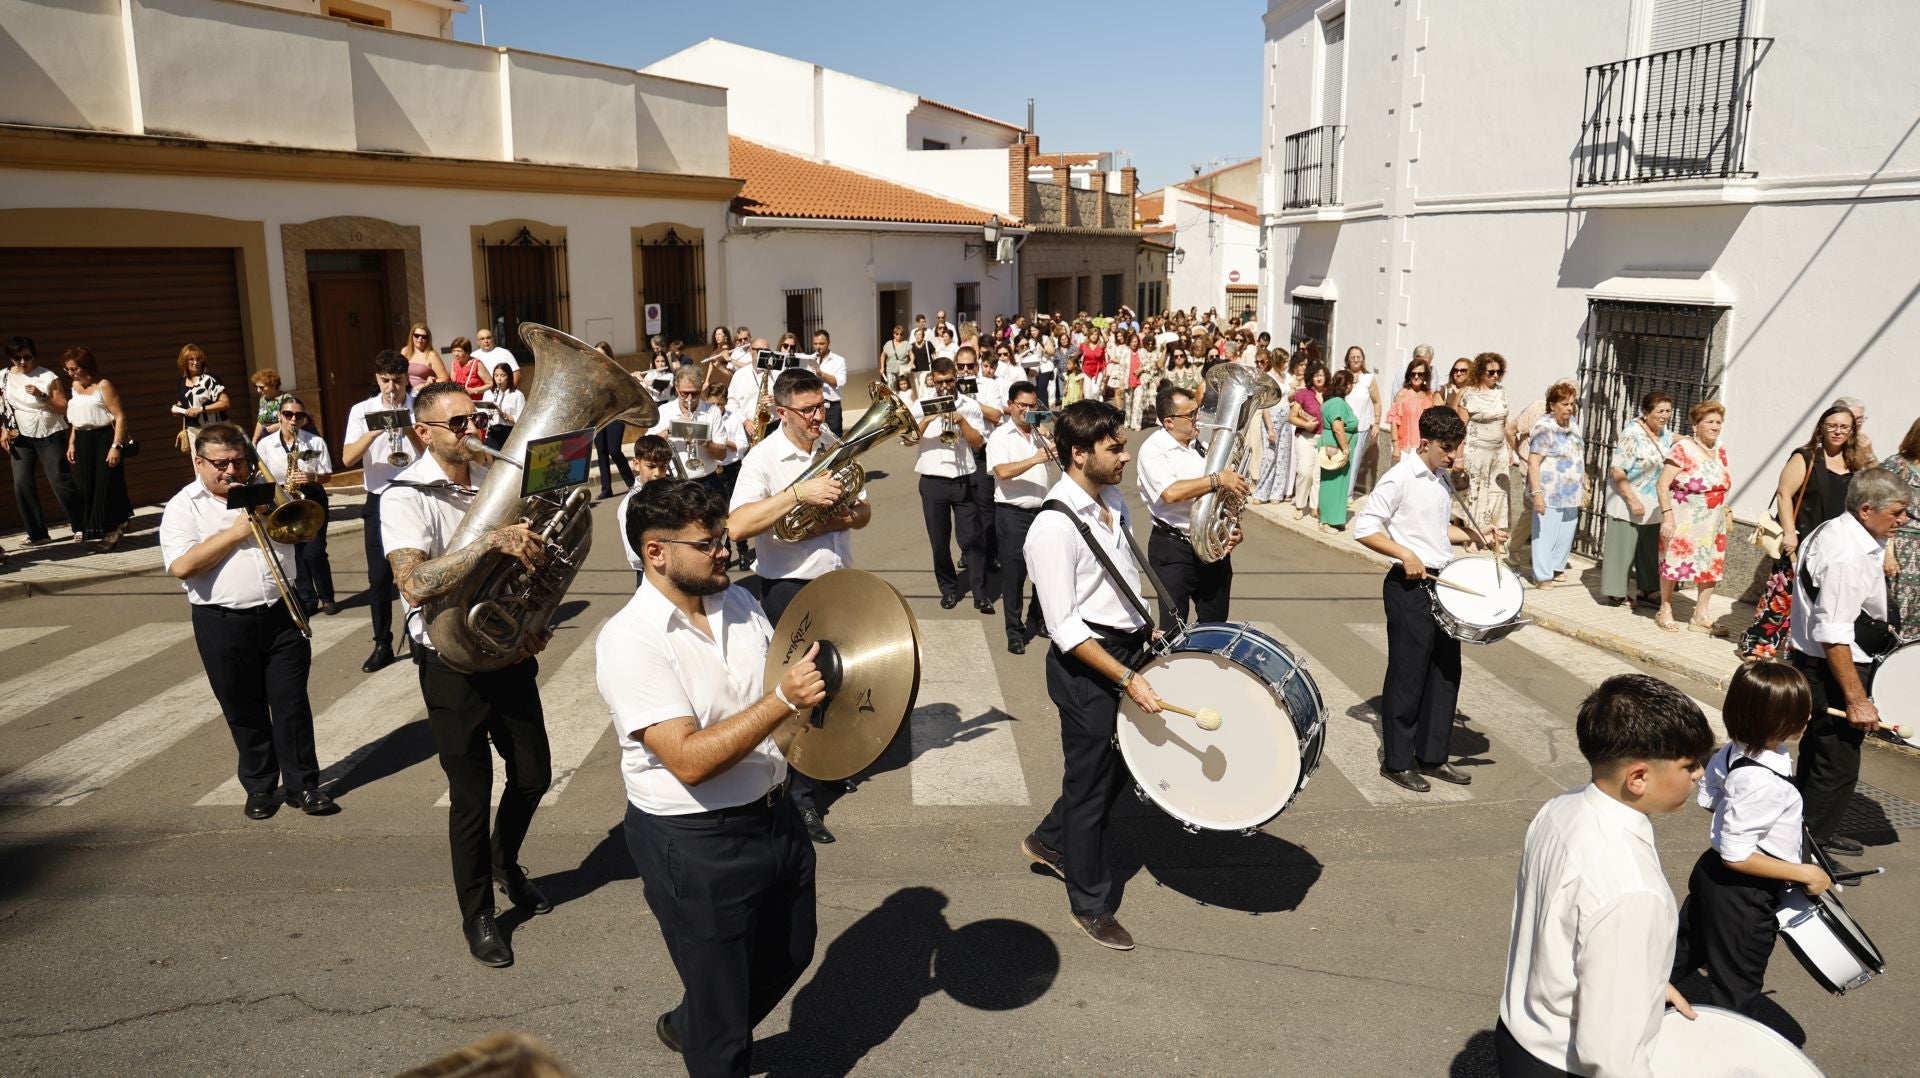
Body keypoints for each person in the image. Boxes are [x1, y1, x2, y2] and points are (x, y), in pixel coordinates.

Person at [601, 478, 827, 1075]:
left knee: (791, 952)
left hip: (773, 815)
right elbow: (689, 761)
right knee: (724, 1023)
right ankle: (709, 1033)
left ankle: (695, 1022)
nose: (726, 551)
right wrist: (783, 699)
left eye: (723, 538)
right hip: (696, 840)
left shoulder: (739, 601)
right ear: (656, 552)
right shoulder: (630, 639)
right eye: (708, 544)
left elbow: (781, 691)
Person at [384, 382, 554, 968]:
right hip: (449, 661)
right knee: (471, 796)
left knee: (534, 775)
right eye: (457, 422)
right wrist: (487, 544)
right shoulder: (404, 495)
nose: (471, 429)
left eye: (474, 418)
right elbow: (415, 584)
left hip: (505, 652)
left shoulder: (496, 481)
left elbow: (532, 568)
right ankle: (477, 912)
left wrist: (533, 621)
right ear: (423, 432)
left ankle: (505, 861)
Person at [1497, 673, 1712, 1077]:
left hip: (1518, 1034)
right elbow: (1610, 1055)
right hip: (1566, 1063)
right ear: (1638, 778)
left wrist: (1642, 978)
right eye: (1689, 765)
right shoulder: (1632, 888)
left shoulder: (1559, 808)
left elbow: (1566, 934)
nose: (1699, 773)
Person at [1023, 399, 1168, 951]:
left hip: (1125, 647)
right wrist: (1128, 679)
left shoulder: (1113, 501)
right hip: (1087, 665)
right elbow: (1063, 626)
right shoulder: (1051, 528)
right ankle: (1090, 904)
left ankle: (1049, 839)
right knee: (1088, 786)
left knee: (1121, 767)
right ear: (1080, 454)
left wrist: (1146, 628)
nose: (1126, 456)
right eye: (1115, 448)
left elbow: (1118, 577)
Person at [160, 423, 336, 821]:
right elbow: (183, 566)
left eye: (238, 462)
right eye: (221, 464)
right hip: (222, 621)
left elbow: (302, 536)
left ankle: (303, 786)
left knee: (291, 704)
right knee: (243, 707)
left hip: (280, 611)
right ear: (199, 462)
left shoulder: (265, 491)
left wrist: (284, 511)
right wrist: (237, 531)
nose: (231, 471)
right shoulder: (183, 506)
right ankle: (260, 787)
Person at [727, 368, 871, 845]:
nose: (818, 416)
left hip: (837, 581)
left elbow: (864, 511)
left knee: (838, 682)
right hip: (790, 588)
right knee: (799, 694)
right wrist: (798, 495)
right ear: (782, 412)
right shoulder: (763, 458)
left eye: (821, 406)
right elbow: (737, 525)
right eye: (808, 410)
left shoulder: (831, 443)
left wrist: (844, 517)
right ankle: (800, 798)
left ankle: (826, 768)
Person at [1354, 406, 1504, 792]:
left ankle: (1432, 756)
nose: (1453, 455)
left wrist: (1476, 536)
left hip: (1442, 584)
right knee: (1408, 675)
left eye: (1457, 447)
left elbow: (1436, 532)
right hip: (1408, 587)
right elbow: (1365, 528)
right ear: (1425, 442)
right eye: (1447, 448)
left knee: (1445, 673)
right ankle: (1398, 761)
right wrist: (1404, 554)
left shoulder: (1441, 477)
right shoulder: (1400, 477)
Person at [1672, 661, 1830, 1021]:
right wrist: (1805, 873)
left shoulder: (1734, 750)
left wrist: (1736, 814)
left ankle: (1630, 1003)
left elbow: (1710, 796)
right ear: (1778, 721)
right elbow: (1736, 855)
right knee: (1737, 988)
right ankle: (1725, 1044)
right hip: (1744, 893)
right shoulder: (1764, 783)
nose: (1808, 716)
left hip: (1711, 874)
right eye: (1800, 711)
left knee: (1685, 949)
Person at [1788, 469, 1907, 861]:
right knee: (1836, 764)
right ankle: (1808, 853)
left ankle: (1808, 832)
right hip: (1835, 668)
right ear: (1866, 509)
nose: (1904, 520)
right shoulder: (1845, 555)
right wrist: (1856, 699)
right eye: (1897, 512)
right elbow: (1833, 633)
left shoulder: (1838, 530)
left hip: (1821, 665)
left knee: (1819, 755)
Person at [1138, 382, 1248, 633]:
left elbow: (1222, 498)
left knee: (1215, 627)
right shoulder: (1153, 449)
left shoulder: (1203, 446)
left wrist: (1232, 528)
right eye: (1190, 415)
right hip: (1173, 548)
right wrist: (1217, 479)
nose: (1197, 418)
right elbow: (1170, 492)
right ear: (1169, 422)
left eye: (1196, 411)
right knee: (1173, 630)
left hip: (1211, 547)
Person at [341, 351, 423, 673]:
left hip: (414, 494)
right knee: (379, 578)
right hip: (378, 497)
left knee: (416, 570)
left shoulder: (419, 405)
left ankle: (418, 637)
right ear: (377, 379)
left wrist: (408, 425)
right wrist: (374, 430)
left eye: (398, 381)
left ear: (406, 378)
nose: (392, 388)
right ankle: (382, 643)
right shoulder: (361, 411)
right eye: (385, 381)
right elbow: (347, 458)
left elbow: (431, 452)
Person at [909, 355, 991, 612]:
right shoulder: (920, 405)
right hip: (932, 481)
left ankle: (980, 593)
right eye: (939, 382)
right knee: (939, 542)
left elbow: (978, 443)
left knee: (972, 539)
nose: (944, 386)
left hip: (963, 478)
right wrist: (927, 419)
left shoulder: (969, 405)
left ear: (956, 378)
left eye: (949, 381)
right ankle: (948, 589)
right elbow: (909, 440)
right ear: (932, 380)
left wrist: (962, 421)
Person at [254, 394, 336, 616]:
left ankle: (327, 596)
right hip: (282, 496)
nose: (293, 419)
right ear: (279, 416)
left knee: (314, 551)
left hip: (311, 496)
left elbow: (327, 474)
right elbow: (261, 476)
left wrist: (312, 477)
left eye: (299, 416)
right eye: (288, 414)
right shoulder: (266, 445)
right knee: (295, 552)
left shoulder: (314, 442)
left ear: (304, 419)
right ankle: (307, 598)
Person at [988, 381, 1054, 654]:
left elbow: (1061, 461)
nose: (1027, 411)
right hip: (1012, 513)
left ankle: (1037, 619)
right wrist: (1035, 459)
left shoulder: (1040, 434)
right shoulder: (1000, 436)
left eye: (1032, 406)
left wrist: (1050, 438)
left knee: (1045, 572)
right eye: (1022, 406)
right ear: (1010, 406)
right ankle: (1014, 632)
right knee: (1014, 576)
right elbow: (1002, 472)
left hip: (1043, 511)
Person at [1655, 401, 1732, 634]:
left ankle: (1700, 615)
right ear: (1696, 425)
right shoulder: (1683, 448)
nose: (1715, 426)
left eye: (1718, 422)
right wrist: (1667, 517)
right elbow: (1662, 484)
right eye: (1709, 422)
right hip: (1684, 517)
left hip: (1713, 520)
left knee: (1711, 564)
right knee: (1673, 561)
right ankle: (1665, 609)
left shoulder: (1720, 449)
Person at [3, 336, 85, 545]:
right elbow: (3, 406)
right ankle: (37, 534)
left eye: (27, 357)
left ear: (34, 355)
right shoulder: (3, 377)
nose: (23, 362)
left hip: (49, 432)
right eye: (18, 358)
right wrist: (4, 429)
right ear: (11, 358)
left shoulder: (47, 376)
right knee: (22, 483)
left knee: (60, 480)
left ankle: (82, 525)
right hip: (20, 436)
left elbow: (63, 407)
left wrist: (41, 396)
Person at [1601, 391, 1674, 609]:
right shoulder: (1632, 433)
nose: (1665, 415)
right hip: (1628, 500)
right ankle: (1615, 592)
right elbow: (1617, 470)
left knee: (1649, 548)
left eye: (1668, 411)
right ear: (1646, 412)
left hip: (1652, 502)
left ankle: (1648, 589)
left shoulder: (1663, 433)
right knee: (1622, 547)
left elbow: (1675, 440)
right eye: (1660, 411)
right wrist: (1632, 500)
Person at [58, 347, 133, 551]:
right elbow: (77, 420)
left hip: (103, 438)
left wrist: (116, 446)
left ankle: (111, 532)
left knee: (105, 484)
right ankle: (117, 521)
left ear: (86, 366)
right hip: (83, 440)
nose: (71, 373)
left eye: (74, 369)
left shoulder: (103, 386)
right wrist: (71, 443)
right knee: (86, 485)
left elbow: (120, 416)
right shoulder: (74, 386)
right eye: (67, 369)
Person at [1525, 381, 1585, 588]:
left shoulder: (1573, 423)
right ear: (1552, 405)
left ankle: (1556, 567)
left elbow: (1577, 453)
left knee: (1566, 534)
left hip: (1572, 491)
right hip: (1550, 491)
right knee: (1545, 535)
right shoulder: (1544, 427)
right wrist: (1537, 493)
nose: (1569, 408)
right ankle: (1542, 576)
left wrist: (1584, 478)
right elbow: (1533, 462)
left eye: (1572, 404)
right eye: (1564, 404)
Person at [1455, 352, 1511, 542]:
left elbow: (1505, 422)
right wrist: (1459, 457)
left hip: (1498, 452)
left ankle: (1493, 532)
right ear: (1480, 372)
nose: (1495, 376)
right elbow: (1460, 429)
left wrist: (1509, 450)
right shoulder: (1469, 395)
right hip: (1476, 451)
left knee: (1496, 494)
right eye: (1491, 372)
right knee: (1476, 494)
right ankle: (1472, 535)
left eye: (1498, 372)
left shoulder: (1501, 392)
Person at [650, 367, 731, 491]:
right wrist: (673, 429)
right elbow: (649, 448)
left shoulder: (713, 411)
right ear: (677, 387)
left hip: (707, 481)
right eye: (685, 393)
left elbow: (722, 455)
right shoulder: (664, 411)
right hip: (674, 483)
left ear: (701, 387)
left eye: (695, 393)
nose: (689, 398)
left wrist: (705, 441)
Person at [615, 435, 676, 586]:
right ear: (636, 464)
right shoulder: (627, 506)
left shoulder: (672, 491)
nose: (657, 473)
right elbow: (634, 557)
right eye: (651, 466)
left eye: (663, 467)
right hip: (651, 575)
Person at [1883, 417, 1920, 645]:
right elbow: (1879, 507)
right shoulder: (1897, 465)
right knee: (1897, 612)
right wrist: (1886, 554)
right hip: (1902, 549)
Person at [1252, 348, 1296, 505]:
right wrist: (1270, 428)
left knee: (1282, 455)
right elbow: (1264, 404)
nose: (1286, 365)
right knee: (1270, 456)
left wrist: (1295, 390)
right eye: (1284, 362)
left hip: (1286, 416)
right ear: (1277, 361)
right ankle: (1261, 492)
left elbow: (1287, 396)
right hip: (1272, 416)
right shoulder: (1268, 378)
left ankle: (1276, 493)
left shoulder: (1284, 376)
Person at [1318, 369, 1358, 532]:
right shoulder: (1337, 403)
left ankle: (1334, 519)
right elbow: (1338, 428)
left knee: (1338, 484)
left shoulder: (1333, 401)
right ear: (1347, 385)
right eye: (1351, 383)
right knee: (1332, 485)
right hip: (1337, 448)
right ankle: (1326, 522)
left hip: (1336, 446)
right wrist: (1346, 450)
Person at [1289, 359, 1327, 520]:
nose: (1319, 378)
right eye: (1316, 375)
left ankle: (1315, 506)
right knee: (1305, 472)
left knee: (1318, 475)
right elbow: (1292, 417)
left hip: (1323, 439)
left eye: (1322, 375)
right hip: (1306, 437)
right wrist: (1306, 424)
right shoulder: (1304, 394)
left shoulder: (1330, 394)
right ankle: (1300, 505)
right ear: (1311, 377)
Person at [1342, 345, 1383, 497]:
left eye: (1358, 357)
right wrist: (1348, 383)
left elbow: (1377, 402)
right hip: (1341, 425)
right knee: (1339, 459)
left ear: (1363, 359)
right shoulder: (1342, 374)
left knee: (1353, 461)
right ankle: (1337, 491)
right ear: (1348, 359)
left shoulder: (1369, 378)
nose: (1355, 359)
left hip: (1360, 427)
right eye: (1352, 357)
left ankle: (1347, 494)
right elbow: (1334, 394)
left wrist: (1377, 423)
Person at [1383, 350, 1435, 467]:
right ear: (1408, 375)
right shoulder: (1402, 394)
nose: (1416, 376)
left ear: (1425, 376)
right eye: (1413, 374)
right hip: (1404, 449)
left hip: (1424, 449)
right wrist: (1396, 446)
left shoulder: (1430, 395)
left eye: (1420, 374)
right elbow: (1394, 422)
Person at [173, 342, 231, 434]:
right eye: (191, 359)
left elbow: (225, 403)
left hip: (215, 431)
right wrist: (177, 409)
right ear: (184, 361)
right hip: (193, 432)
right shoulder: (182, 382)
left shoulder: (209, 379)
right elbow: (183, 402)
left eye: (198, 359)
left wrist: (200, 409)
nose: (195, 362)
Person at [807, 329, 847, 437]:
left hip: (832, 406)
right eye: (815, 343)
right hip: (814, 406)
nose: (818, 347)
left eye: (821, 343)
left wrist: (821, 374)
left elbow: (840, 382)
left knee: (834, 437)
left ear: (828, 343)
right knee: (815, 437)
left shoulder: (839, 360)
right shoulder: (809, 359)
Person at [480, 363, 524, 451]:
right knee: (494, 457)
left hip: (509, 432)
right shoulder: (488, 394)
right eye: (496, 376)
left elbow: (521, 419)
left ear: (509, 377)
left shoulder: (517, 395)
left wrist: (503, 415)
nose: (499, 379)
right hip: (493, 432)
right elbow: (482, 412)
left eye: (503, 375)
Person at [401, 323, 449, 389]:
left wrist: (428, 384)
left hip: (422, 392)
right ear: (412, 336)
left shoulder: (431, 355)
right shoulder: (405, 351)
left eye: (424, 337)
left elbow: (445, 378)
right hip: (405, 391)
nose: (420, 338)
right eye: (417, 335)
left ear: (427, 339)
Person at [248, 367, 290, 442]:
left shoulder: (286, 398)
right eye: (256, 387)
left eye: (261, 387)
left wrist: (279, 426)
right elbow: (261, 420)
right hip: (267, 438)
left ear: (273, 385)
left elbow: (295, 420)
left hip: (283, 437)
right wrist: (255, 439)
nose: (258, 390)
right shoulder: (263, 399)